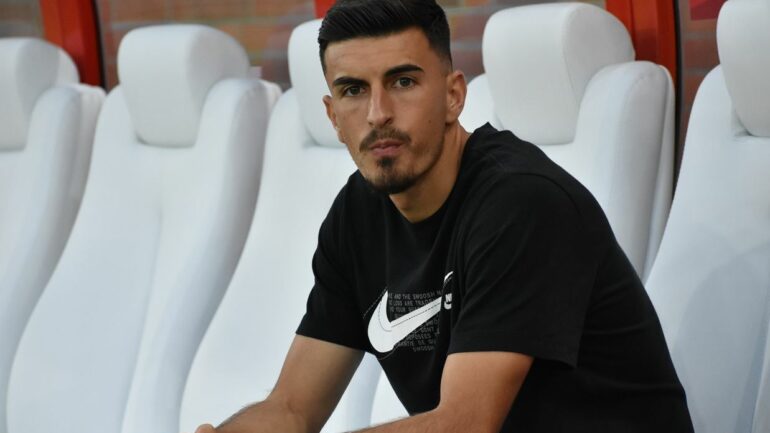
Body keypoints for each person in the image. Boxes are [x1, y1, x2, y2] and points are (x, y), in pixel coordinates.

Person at [192, 0, 694, 432]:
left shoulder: (521, 203)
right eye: (353, 90)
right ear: (332, 117)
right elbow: (292, 408)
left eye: (403, 81)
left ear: (454, 95)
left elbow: (465, 423)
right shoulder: (357, 215)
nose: (378, 113)